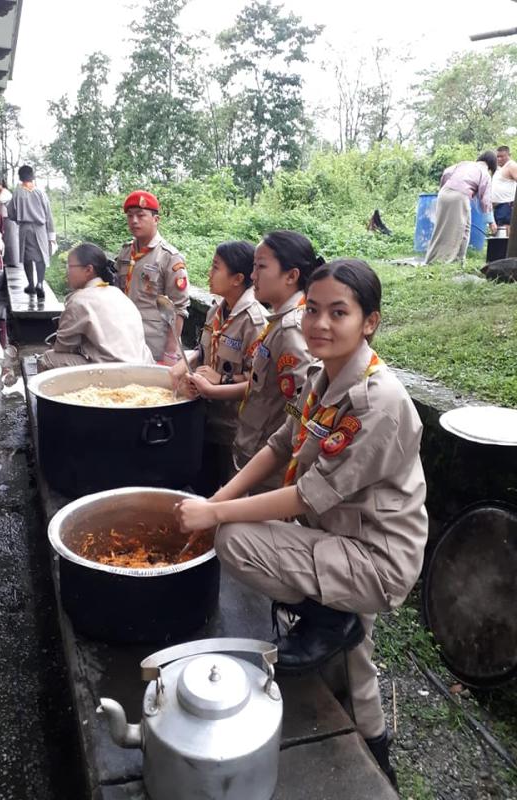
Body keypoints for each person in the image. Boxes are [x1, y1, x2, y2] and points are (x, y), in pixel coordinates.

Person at [176, 258, 428, 788]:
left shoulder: (377, 402)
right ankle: (377, 762)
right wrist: (217, 496)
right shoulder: (324, 376)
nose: (320, 323)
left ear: (370, 322)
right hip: (337, 536)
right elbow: (279, 446)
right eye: (313, 309)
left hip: (374, 558)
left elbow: (304, 497)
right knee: (353, 655)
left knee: (235, 539)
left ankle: (327, 612)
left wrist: (215, 514)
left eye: (340, 312)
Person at [170, 241, 267, 493]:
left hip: (235, 429)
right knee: (202, 484)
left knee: (230, 491)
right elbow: (205, 350)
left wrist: (220, 380)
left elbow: (259, 383)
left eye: (215, 267)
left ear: (237, 278)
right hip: (208, 418)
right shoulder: (217, 310)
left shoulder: (255, 322)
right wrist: (186, 362)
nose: (209, 273)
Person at [230, 231, 319, 491]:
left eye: (261, 267)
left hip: (269, 459)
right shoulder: (280, 321)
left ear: (291, 276)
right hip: (256, 447)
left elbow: (300, 404)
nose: (253, 276)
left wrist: (282, 435)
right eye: (253, 267)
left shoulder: (291, 329)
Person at [37, 242, 154, 371]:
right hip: (145, 366)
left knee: (48, 358)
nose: (67, 272)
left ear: (88, 270)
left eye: (69, 266)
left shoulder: (79, 300)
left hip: (116, 372)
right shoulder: (117, 293)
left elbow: (63, 347)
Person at [114, 191, 189, 364]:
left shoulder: (169, 257)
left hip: (154, 341)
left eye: (140, 215)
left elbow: (179, 308)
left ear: (156, 220)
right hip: (125, 335)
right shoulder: (126, 252)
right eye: (130, 216)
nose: (134, 221)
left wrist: (170, 351)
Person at [424, 151, 497, 265]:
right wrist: (491, 221)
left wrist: (444, 189)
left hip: (444, 194)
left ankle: (441, 259)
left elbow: (446, 173)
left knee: (443, 228)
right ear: (492, 165)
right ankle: (451, 261)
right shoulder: (484, 173)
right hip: (459, 196)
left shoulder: (464, 164)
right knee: (460, 230)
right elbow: (485, 200)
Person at [7, 165, 56, 298]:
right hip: (40, 228)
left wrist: (18, 218)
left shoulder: (17, 192)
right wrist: (51, 234)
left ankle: (31, 284)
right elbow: (48, 214)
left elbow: (10, 211)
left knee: (27, 257)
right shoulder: (40, 192)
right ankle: (40, 283)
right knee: (41, 256)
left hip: (25, 228)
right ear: (32, 176)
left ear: (20, 177)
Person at [0, 176, 19, 267]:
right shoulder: (0, 193)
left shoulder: (5, 193)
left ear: (0, 184)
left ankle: (13, 260)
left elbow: (1, 199)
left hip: (8, 219)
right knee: (5, 239)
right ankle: (7, 260)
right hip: (4, 219)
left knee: (11, 240)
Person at [491, 146, 517, 227]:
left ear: (509, 155)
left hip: (507, 206)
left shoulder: (511, 166)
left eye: (502, 156)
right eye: (497, 156)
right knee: (499, 235)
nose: (499, 159)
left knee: (506, 234)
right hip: (497, 207)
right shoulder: (498, 168)